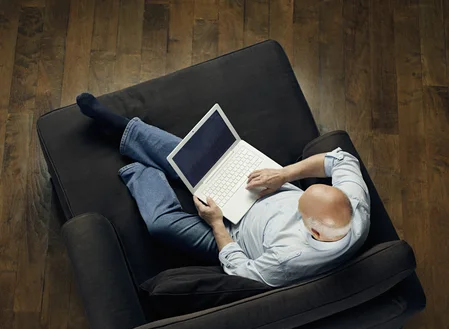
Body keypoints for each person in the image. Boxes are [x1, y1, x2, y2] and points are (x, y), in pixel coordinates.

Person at [76, 93, 370, 287]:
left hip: (234, 235)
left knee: (161, 225)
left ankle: (142, 171)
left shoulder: (288, 261)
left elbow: (241, 273)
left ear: (316, 233)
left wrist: (217, 223)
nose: (297, 208)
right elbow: (341, 159)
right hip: (265, 189)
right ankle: (123, 129)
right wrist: (284, 175)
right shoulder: (355, 208)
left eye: (300, 213)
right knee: (195, 160)